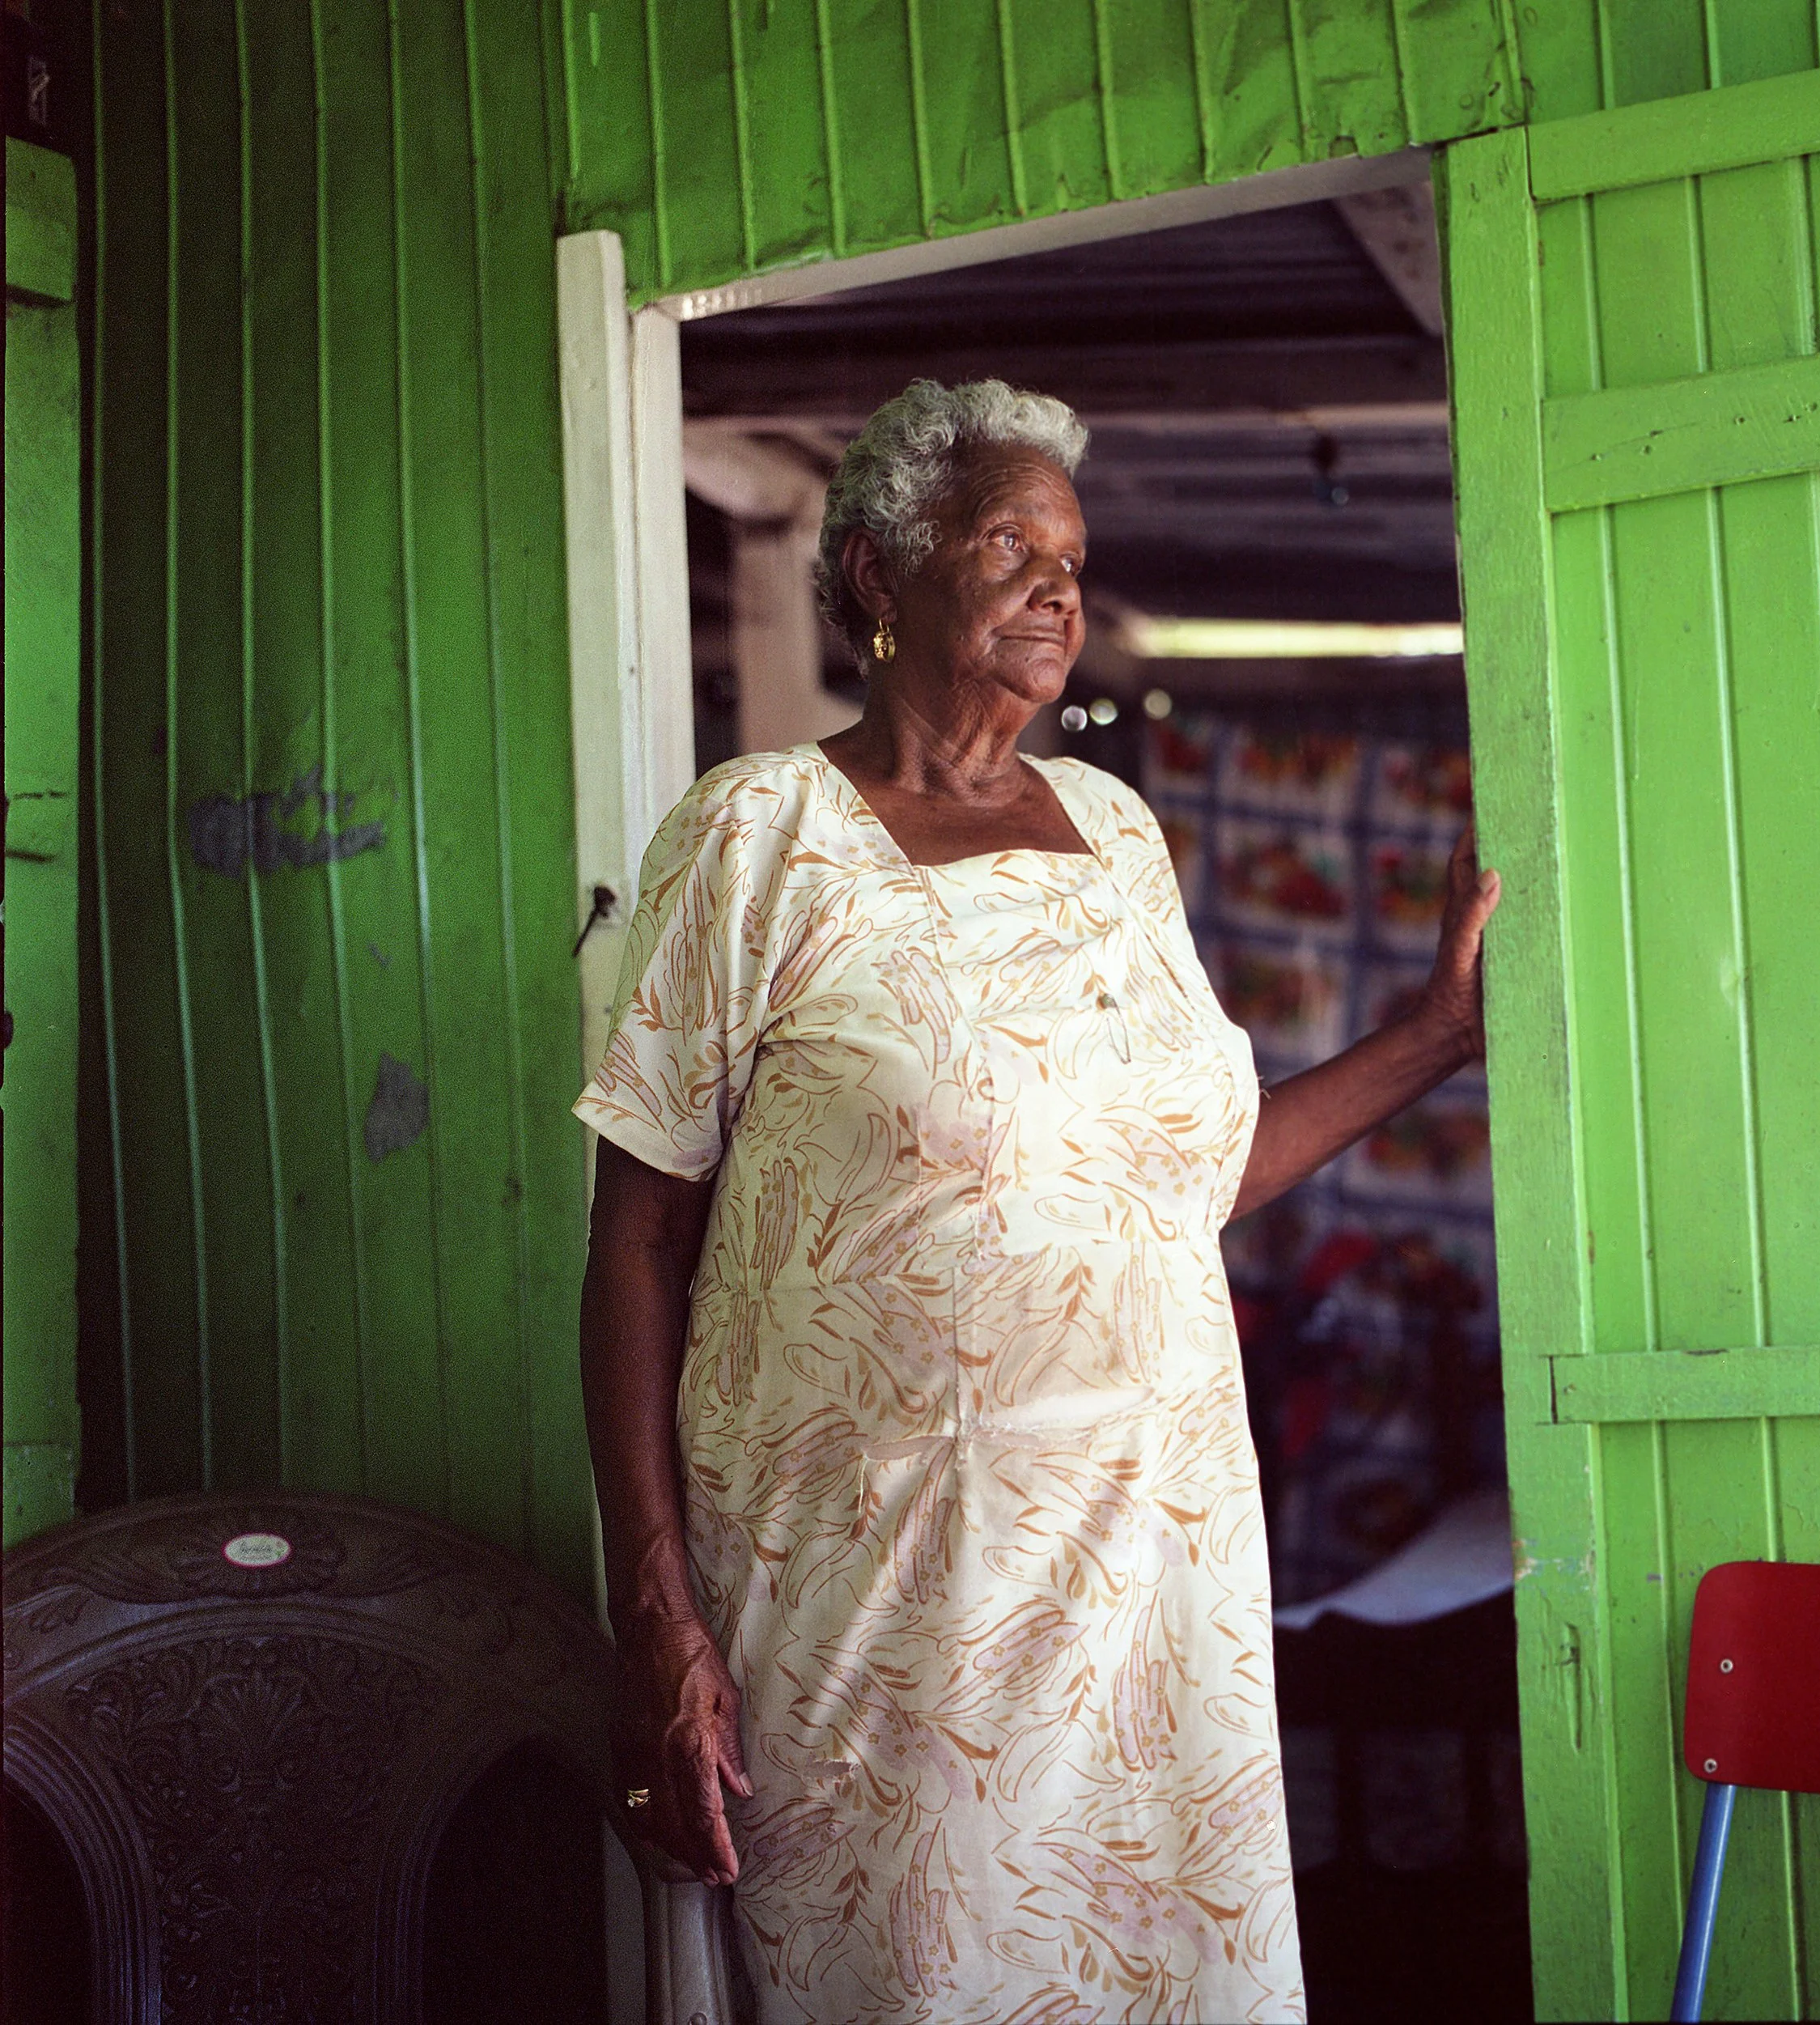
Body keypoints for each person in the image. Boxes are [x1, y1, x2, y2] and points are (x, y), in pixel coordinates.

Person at [576, 378, 1500, 2025]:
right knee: (927, 1978)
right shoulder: (758, 833)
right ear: (874, 576)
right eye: (1010, 545)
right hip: (892, 1595)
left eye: (1071, 558)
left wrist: (1432, 1037)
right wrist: (655, 1619)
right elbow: (638, 1238)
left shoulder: (1114, 832)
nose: (1059, 590)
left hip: (1154, 1580)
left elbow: (1178, 1184)